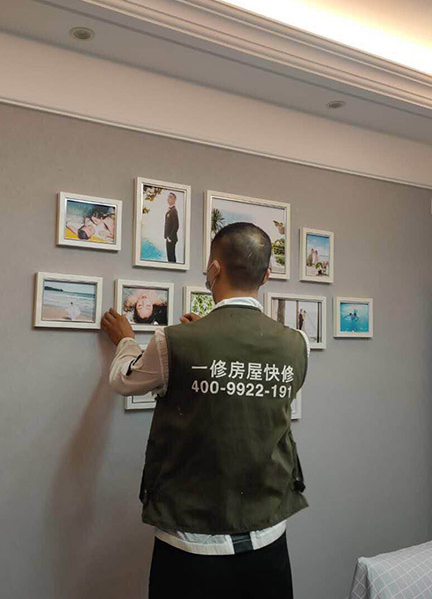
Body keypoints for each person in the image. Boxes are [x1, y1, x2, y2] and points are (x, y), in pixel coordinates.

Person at [101, 222, 310, 599]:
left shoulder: (172, 341)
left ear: (214, 269)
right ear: (266, 275)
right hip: (268, 539)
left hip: (190, 545)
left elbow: (123, 380)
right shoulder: (296, 343)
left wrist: (127, 341)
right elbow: (255, 395)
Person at [164, 192, 179, 263]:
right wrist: (166, 236)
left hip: (171, 238)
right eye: (168, 197)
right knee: (169, 256)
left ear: (174, 199)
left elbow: (176, 225)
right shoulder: (169, 210)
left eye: (170, 197)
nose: (168, 199)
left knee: (171, 257)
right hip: (168, 238)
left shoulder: (174, 211)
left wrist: (170, 237)